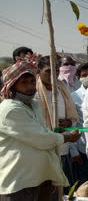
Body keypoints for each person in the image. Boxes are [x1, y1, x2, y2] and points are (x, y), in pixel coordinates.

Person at [0, 61, 81, 201]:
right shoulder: (10, 110)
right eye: (24, 82)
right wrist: (67, 138)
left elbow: (42, 134)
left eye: (32, 81)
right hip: (18, 181)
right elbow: (41, 139)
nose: (31, 87)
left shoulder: (33, 105)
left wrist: (48, 175)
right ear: (12, 85)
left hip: (38, 178)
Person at [35, 56, 79, 194]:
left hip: (63, 147)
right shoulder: (34, 91)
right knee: (47, 190)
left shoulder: (61, 88)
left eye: (55, 70)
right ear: (39, 70)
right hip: (42, 149)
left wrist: (69, 122)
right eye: (48, 71)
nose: (53, 75)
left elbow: (72, 115)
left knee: (65, 190)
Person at [71, 62, 88, 186]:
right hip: (82, 146)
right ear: (79, 78)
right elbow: (72, 123)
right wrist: (73, 150)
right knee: (83, 182)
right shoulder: (74, 97)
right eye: (84, 75)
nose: (87, 78)